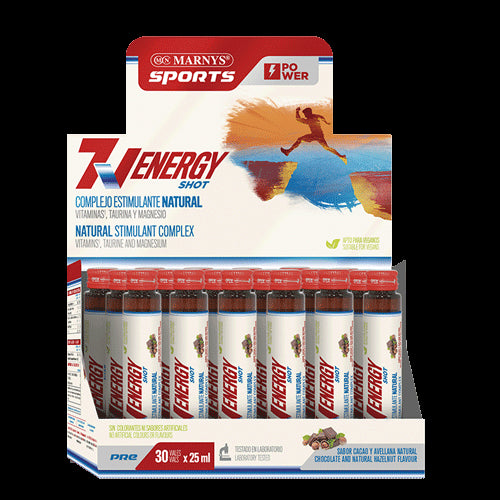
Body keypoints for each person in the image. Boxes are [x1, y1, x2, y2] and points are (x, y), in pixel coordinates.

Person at [280, 107, 347, 164]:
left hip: (315, 135)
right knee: (327, 147)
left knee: (300, 139)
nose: (305, 116)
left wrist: (297, 111)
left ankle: (288, 151)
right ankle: (341, 156)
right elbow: (322, 117)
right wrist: (326, 122)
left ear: (308, 113)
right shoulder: (316, 116)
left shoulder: (310, 120)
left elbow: (298, 119)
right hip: (320, 135)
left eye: (305, 114)